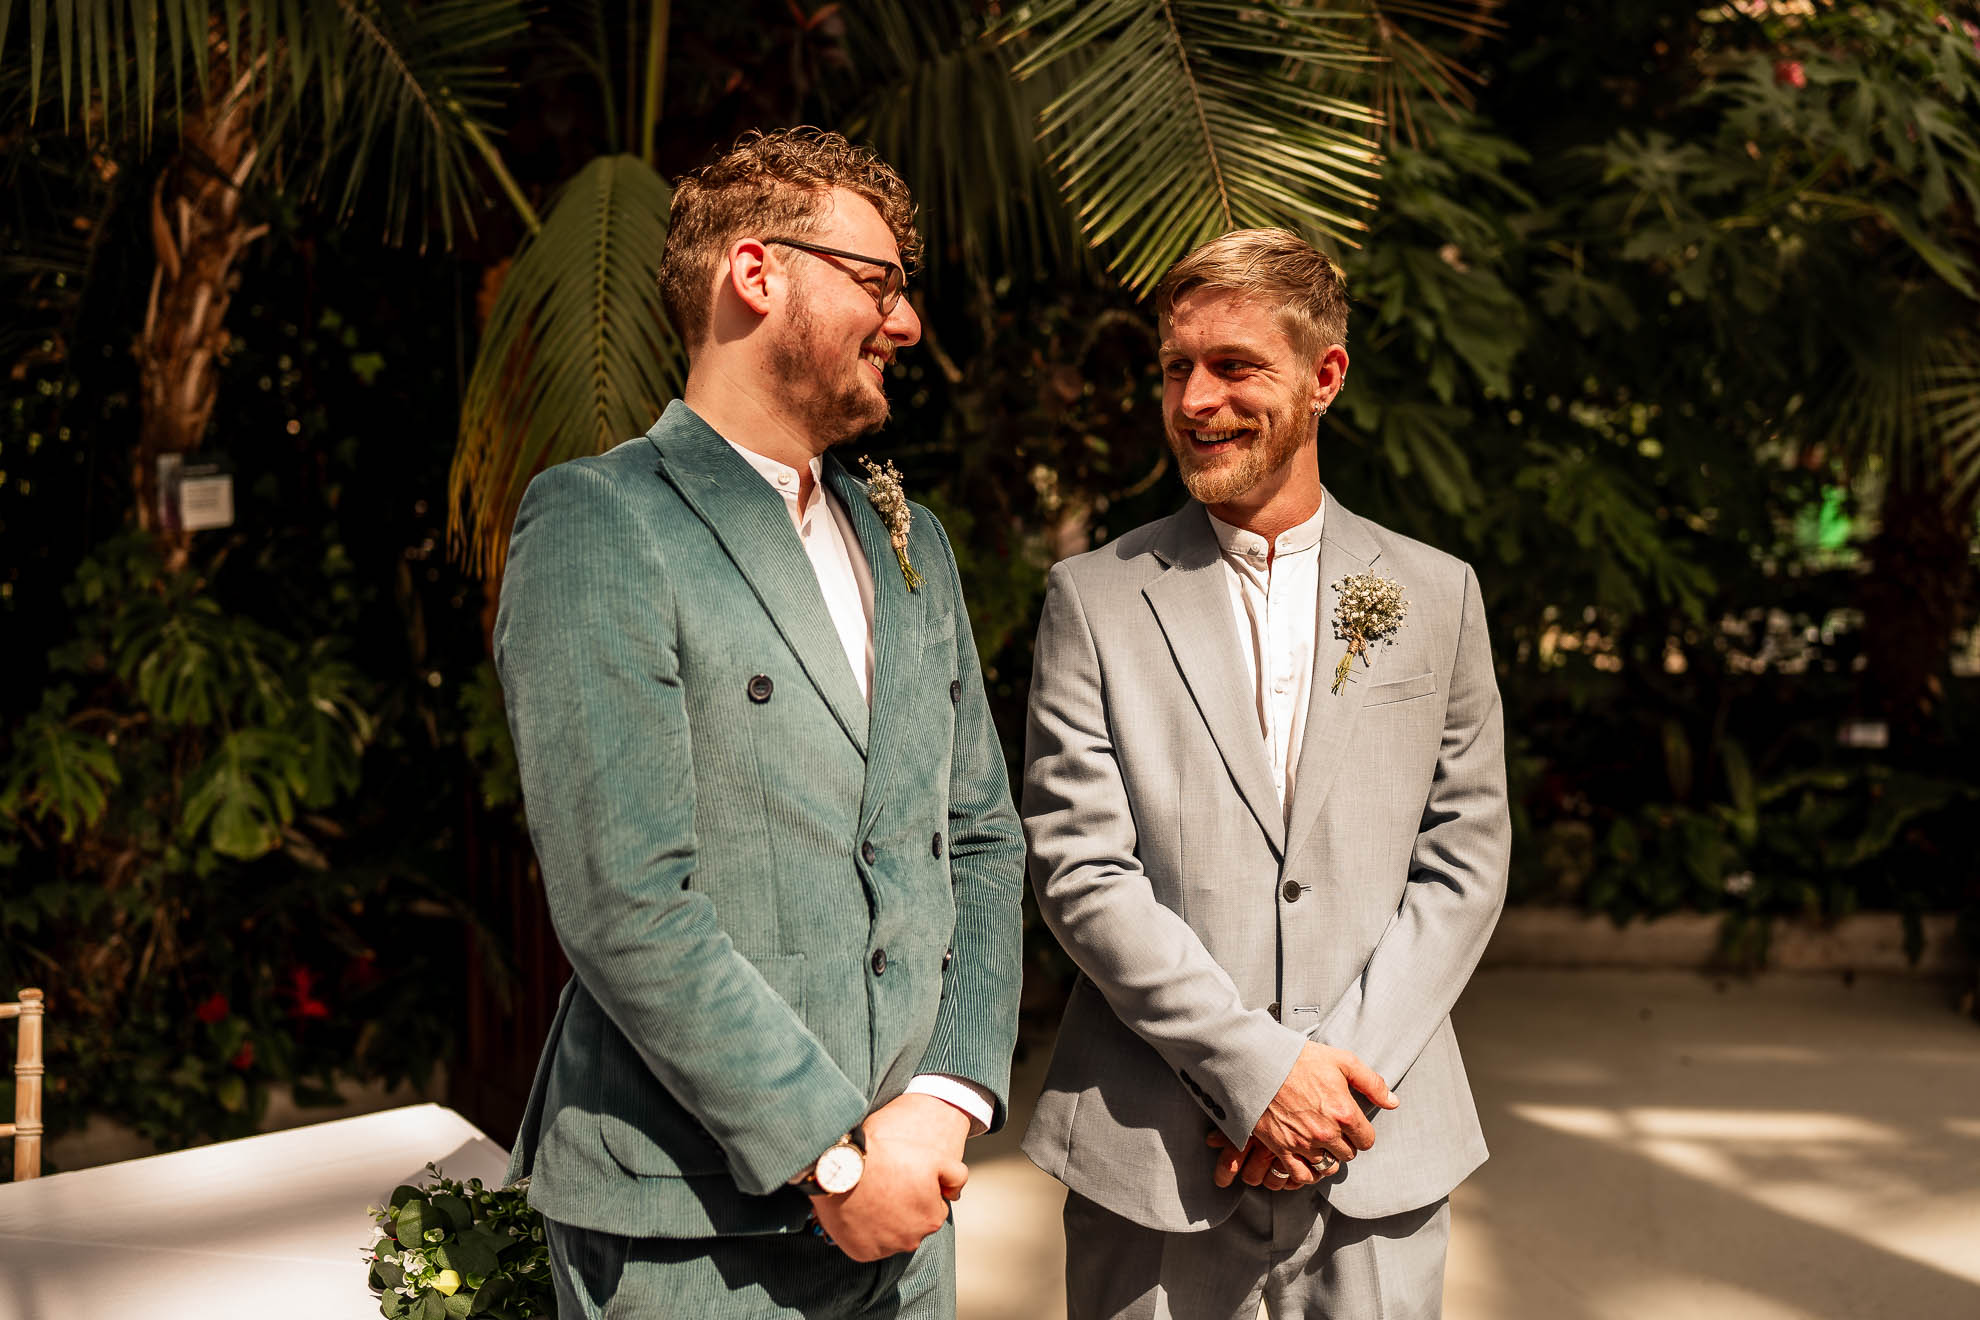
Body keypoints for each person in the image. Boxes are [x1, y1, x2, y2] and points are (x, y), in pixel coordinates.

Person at [494, 127, 1025, 1320]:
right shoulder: (604, 520)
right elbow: (624, 899)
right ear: (756, 271)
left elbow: (983, 840)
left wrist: (945, 1099)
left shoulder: (913, 544)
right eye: (880, 282)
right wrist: (828, 1152)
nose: (907, 324)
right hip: (694, 1229)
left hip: (908, 1210)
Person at [1021, 228, 1510, 1320]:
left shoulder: (1437, 595)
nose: (1198, 400)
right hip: (1151, 1160)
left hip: (1375, 1149)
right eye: (1175, 368)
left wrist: (1329, 1084)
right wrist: (1255, 1075)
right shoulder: (1094, 600)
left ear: (1324, 377)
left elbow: (1465, 858)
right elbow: (1080, 868)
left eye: (1235, 366)